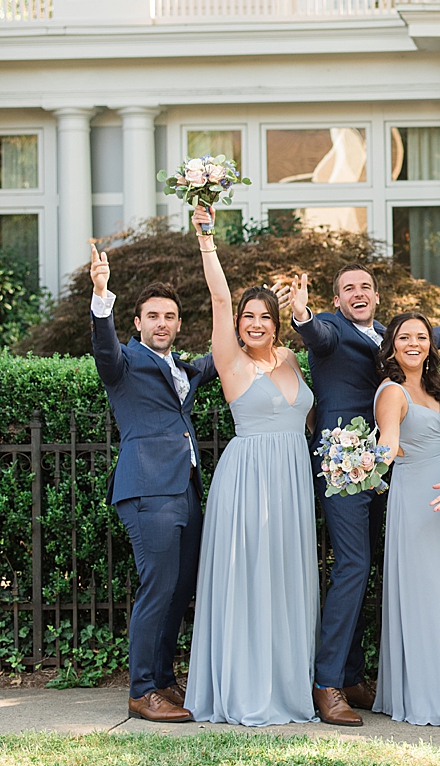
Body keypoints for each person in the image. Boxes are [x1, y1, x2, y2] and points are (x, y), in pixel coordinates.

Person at [287, 266, 440, 726]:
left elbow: (427, 335)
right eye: (348, 288)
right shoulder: (330, 329)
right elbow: (315, 334)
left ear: (376, 294)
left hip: (389, 472)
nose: (358, 293)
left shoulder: (387, 336)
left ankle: (351, 676)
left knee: (366, 566)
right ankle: (326, 683)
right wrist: (301, 313)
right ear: (337, 298)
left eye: (365, 287)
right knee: (352, 565)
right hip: (345, 465)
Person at [184, 204, 318, 726]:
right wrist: (206, 237)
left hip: (291, 480)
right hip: (249, 480)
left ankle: (285, 687)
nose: (256, 322)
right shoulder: (230, 360)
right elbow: (219, 295)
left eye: (266, 315)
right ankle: (244, 688)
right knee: (250, 579)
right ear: (237, 324)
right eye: (248, 316)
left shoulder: (289, 359)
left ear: (276, 323)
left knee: (286, 581)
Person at [89, 248, 217, 723]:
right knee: (157, 586)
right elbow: (104, 349)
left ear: (179, 323)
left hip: (184, 488)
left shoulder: (182, 367)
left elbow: (220, 356)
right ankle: (141, 690)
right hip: (147, 490)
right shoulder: (123, 362)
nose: (162, 323)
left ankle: (163, 678)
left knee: (181, 586)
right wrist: (102, 296)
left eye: (170, 316)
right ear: (138, 323)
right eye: (153, 316)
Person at [370, 312, 440, 726]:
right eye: (404, 337)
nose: (413, 343)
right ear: (392, 345)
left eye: (421, 336)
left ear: (431, 345)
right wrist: (363, 461)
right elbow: (389, 443)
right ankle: (433, 697)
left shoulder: (434, 389)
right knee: (430, 592)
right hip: (419, 498)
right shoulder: (392, 392)